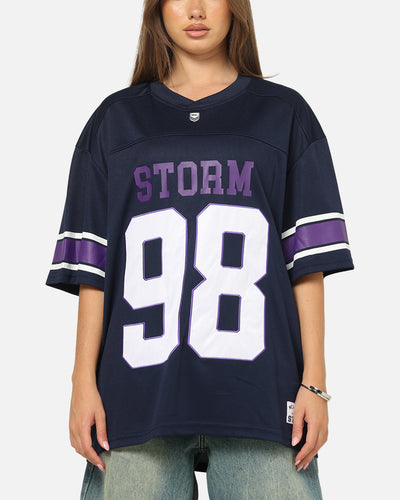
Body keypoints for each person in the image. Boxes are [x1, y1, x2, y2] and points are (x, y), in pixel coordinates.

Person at [46, 0, 354, 498]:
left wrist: (314, 383)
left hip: (261, 393)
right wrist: (82, 381)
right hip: (137, 396)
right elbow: (93, 271)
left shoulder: (285, 114)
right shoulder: (115, 121)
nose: (195, 9)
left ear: (236, 8)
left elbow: (307, 266)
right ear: (157, 9)